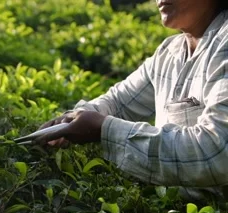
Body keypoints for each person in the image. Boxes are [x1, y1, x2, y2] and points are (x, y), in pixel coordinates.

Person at [36, 0, 228, 201]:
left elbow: (217, 152)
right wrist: (72, 118)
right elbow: (119, 102)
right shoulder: (169, 51)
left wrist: (105, 129)